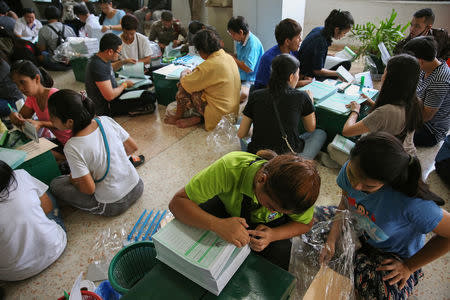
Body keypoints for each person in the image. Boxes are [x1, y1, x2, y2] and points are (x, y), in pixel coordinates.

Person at [320, 132, 449, 299]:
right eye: (352, 175)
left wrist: (409, 267)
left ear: (388, 182)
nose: (356, 186)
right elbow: (345, 202)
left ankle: (358, 259)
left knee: (386, 293)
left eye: (368, 185)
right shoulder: (351, 169)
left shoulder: (411, 203)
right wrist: (331, 239)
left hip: (393, 254)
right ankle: (357, 258)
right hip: (361, 230)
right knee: (310, 221)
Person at [169, 150, 321, 270]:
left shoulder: (299, 193)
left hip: (270, 229)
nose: (275, 212)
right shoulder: (229, 168)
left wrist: (273, 235)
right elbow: (177, 203)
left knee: (280, 256)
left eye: (284, 213)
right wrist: (217, 224)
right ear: (262, 179)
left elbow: (305, 224)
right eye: (272, 207)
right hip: (227, 211)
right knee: (195, 223)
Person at [48, 89, 144, 216]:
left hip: (113, 204)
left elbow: (89, 189)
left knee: (56, 184)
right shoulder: (105, 120)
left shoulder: (72, 147)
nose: (50, 121)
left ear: (69, 122)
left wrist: (74, 180)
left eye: (53, 118)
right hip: (137, 186)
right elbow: (132, 147)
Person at [328, 54, 423, 166]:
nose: (383, 75)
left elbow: (347, 131)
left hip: (383, 163)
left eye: (385, 71)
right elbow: (391, 118)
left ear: (391, 78)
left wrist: (355, 111)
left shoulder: (385, 112)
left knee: (332, 147)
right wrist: (370, 102)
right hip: (406, 155)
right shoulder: (416, 102)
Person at [238, 54, 326, 160]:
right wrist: (310, 103)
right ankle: (298, 165)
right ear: (291, 77)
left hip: (258, 156)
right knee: (320, 134)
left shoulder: (256, 95)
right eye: (297, 75)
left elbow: (241, 133)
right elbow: (310, 128)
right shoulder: (302, 96)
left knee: (239, 125)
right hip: (286, 161)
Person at [0, 161, 67, 281]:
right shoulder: (20, 175)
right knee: (46, 195)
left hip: (14, 273)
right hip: (55, 248)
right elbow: (48, 207)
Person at [164, 29, 240, 130]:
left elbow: (186, 83)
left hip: (218, 120)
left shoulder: (209, 66)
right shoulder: (228, 57)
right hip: (233, 114)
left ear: (201, 50)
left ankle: (178, 117)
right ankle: (198, 118)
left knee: (180, 91)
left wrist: (184, 72)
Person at [9, 60, 71, 161]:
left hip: (74, 142)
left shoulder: (54, 95)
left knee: (39, 154)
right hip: (62, 142)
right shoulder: (32, 98)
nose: (20, 88)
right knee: (29, 149)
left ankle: (68, 160)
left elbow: (68, 123)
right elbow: (22, 117)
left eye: (23, 82)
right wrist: (14, 115)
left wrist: (41, 123)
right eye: (17, 84)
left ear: (36, 78)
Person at [85, 33, 155, 116]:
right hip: (109, 105)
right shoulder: (98, 66)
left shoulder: (101, 57)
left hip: (115, 91)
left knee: (145, 87)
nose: (119, 56)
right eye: (119, 53)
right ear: (110, 51)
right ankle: (129, 111)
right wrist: (124, 85)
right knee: (149, 97)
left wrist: (123, 62)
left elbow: (110, 68)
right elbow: (109, 96)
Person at [403, 36, 450, 147]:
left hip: (430, 130)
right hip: (416, 114)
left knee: (387, 127)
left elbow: (426, 116)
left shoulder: (440, 79)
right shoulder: (426, 68)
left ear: (420, 61)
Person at [253, 18, 310, 90]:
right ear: (287, 41)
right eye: (298, 37)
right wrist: (303, 82)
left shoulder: (294, 52)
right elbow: (272, 88)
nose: (301, 40)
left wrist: (304, 78)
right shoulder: (268, 59)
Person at [297, 9, 354, 80]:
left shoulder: (319, 29)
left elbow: (313, 53)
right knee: (343, 69)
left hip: (306, 65)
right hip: (306, 74)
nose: (344, 35)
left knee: (346, 64)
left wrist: (326, 54)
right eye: (344, 33)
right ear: (336, 29)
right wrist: (337, 73)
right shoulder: (321, 41)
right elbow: (317, 71)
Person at [227, 16, 264, 101]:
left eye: (232, 34)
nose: (232, 36)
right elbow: (240, 57)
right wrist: (227, 55)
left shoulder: (252, 44)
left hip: (251, 79)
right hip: (240, 76)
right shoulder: (240, 41)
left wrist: (231, 58)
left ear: (240, 32)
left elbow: (248, 68)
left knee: (242, 95)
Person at [37, 5, 76, 71]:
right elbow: (75, 45)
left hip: (56, 63)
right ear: (59, 15)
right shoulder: (69, 28)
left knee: (40, 54)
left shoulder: (43, 30)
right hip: (71, 63)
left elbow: (42, 49)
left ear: (46, 16)